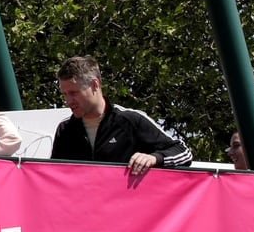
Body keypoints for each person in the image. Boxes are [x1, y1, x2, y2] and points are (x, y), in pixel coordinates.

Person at [50, 55, 192, 173]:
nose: (68, 101)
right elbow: (53, 176)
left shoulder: (130, 120)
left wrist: (154, 158)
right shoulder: (65, 130)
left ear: (95, 85)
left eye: (74, 93)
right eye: (65, 94)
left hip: (128, 206)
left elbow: (183, 153)